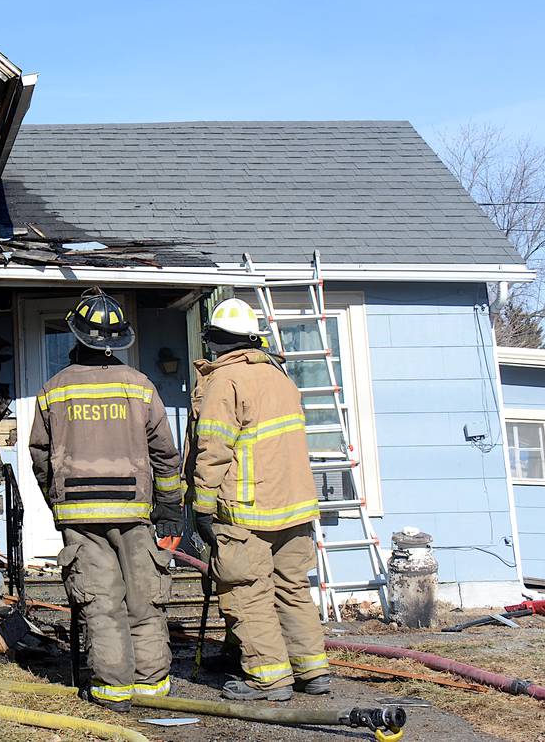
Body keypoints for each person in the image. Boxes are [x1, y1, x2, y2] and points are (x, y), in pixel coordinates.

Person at [29, 289, 185, 712]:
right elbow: (166, 456)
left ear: (75, 337)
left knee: (101, 605)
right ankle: (152, 688)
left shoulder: (53, 389)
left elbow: (40, 456)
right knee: (144, 599)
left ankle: (113, 691)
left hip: (80, 516)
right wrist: (171, 510)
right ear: (120, 342)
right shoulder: (140, 387)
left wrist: (56, 502)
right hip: (136, 513)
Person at [184, 297, 331, 701]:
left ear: (214, 340)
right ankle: (312, 670)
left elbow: (213, 449)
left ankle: (268, 678)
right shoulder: (280, 377)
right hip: (295, 507)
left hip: (247, 510)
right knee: (292, 588)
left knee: (247, 592)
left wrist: (201, 504)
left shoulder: (225, 382)